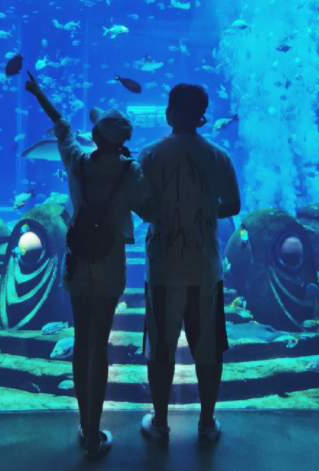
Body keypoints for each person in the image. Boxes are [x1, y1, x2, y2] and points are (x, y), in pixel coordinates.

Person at [25, 72, 155, 460]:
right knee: (100, 344)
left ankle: (85, 427)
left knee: (82, 343)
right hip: (111, 266)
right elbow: (150, 209)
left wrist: (38, 92)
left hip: (78, 264)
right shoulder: (132, 171)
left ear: (95, 136)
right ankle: (95, 432)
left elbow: (63, 126)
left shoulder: (77, 161)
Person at [137, 83, 241, 447]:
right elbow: (233, 204)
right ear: (201, 115)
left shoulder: (150, 154)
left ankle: (160, 423)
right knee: (208, 349)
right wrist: (203, 209)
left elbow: (141, 205)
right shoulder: (218, 156)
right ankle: (207, 423)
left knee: (160, 350)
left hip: (163, 269)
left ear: (170, 112)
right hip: (204, 268)